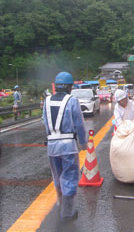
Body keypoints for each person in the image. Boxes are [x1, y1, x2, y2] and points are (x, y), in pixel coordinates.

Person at [42, 71, 88, 221]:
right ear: (69, 87)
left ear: (56, 86)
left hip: (52, 146)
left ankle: (60, 203)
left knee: (57, 175)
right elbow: (79, 124)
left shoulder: (47, 101)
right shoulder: (72, 100)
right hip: (68, 145)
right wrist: (83, 143)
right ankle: (67, 213)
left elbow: (45, 122)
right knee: (69, 176)